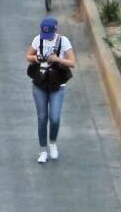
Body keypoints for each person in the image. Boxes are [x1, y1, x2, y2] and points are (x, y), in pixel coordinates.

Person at [26, 17, 76, 163]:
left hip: (57, 84)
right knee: (42, 118)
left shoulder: (63, 41)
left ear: (56, 30)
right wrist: (36, 58)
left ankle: (52, 142)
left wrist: (57, 59)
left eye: (49, 34)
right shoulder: (38, 40)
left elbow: (72, 62)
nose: (47, 37)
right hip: (40, 84)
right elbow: (28, 56)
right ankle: (42, 150)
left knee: (54, 118)